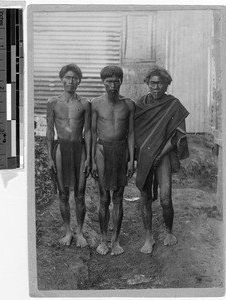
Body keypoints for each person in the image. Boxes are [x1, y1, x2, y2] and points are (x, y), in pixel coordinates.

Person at [135, 65, 189, 254]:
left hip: (164, 154)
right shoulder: (140, 104)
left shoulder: (173, 105)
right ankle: (148, 237)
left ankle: (169, 232)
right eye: (152, 83)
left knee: (165, 198)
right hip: (144, 157)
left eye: (160, 83)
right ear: (147, 84)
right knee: (145, 197)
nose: (156, 87)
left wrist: (159, 154)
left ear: (167, 85)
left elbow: (177, 136)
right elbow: (136, 133)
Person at [91, 65, 135, 256]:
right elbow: (92, 133)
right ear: (103, 82)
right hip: (101, 151)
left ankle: (115, 240)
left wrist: (131, 159)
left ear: (121, 81)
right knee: (103, 198)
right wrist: (92, 160)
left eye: (116, 80)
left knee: (118, 198)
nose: (113, 85)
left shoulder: (129, 104)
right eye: (109, 81)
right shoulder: (96, 103)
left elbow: (132, 133)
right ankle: (102, 239)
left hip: (121, 151)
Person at [46, 63, 91, 247]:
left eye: (74, 78)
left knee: (80, 193)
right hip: (60, 148)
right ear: (61, 79)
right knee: (63, 193)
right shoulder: (53, 103)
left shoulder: (85, 103)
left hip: (78, 148)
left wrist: (88, 157)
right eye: (67, 77)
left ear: (78, 81)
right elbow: (49, 131)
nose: (71, 81)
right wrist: (49, 157)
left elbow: (88, 132)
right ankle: (67, 231)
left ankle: (79, 231)